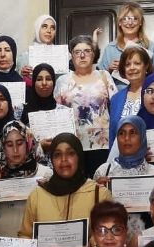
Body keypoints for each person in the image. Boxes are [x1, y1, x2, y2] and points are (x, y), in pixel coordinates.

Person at [18, 133, 111, 240]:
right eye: (57, 154)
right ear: (52, 160)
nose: (64, 159)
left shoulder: (99, 194)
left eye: (70, 153)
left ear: (79, 157)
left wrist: (91, 245)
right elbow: (25, 236)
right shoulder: (37, 196)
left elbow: (110, 235)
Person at [55, 35, 117, 176]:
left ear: (93, 54)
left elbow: (116, 106)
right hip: (72, 144)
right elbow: (58, 114)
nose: (82, 55)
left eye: (87, 51)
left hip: (102, 143)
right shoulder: (63, 81)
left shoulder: (104, 76)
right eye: (77, 52)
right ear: (71, 55)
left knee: (100, 185)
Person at [95, 116, 154, 238]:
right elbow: (94, 215)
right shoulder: (103, 171)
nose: (127, 139)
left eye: (133, 133)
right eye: (122, 133)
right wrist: (96, 194)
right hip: (112, 242)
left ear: (142, 137)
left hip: (148, 243)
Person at [0, 120, 51, 238]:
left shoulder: (46, 174)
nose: (15, 150)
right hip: (2, 245)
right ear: (3, 146)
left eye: (19, 143)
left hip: (35, 245)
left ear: (28, 143)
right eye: (9, 144)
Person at [98, 3, 154, 82]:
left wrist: (147, 66)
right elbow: (100, 81)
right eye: (125, 19)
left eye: (134, 18)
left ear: (140, 22)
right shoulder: (110, 49)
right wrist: (109, 69)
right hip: (118, 93)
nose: (129, 23)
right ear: (120, 23)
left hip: (144, 92)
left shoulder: (151, 47)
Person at [108, 45, 154, 147]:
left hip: (152, 155)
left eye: (137, 63)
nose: (132, 68)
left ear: (146, 66)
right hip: (123, 157)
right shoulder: (116, 99)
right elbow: (112, 135)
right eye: (127, 65)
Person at [21, 63, 70, 154]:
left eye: (48, 79)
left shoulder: (64, 112)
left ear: (54, 82)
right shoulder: (22, 112)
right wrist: (39, 146)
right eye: (39, 79)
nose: (44, 83)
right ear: (33, 82)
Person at [17, 14, 57, 78]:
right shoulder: (24, 57)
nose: (49, 31)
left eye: (52, 28)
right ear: (37, 29)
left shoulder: (62, 56)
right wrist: (21, 73)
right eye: (44, 26)